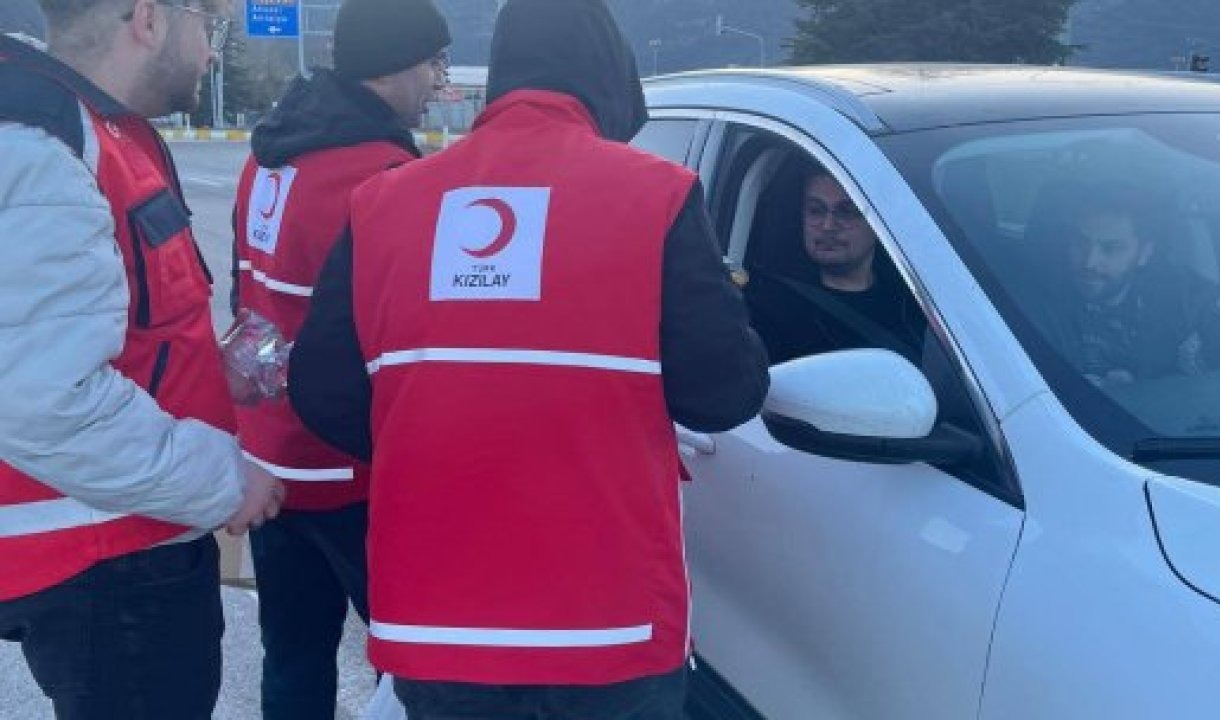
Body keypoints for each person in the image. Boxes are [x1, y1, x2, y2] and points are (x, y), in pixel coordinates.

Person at [288, 0, 770, 716]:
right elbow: (725, 392)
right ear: (610, 76)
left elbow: (319, 390)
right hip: (607, 625)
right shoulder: (658, 196)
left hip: (436, 622)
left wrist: (434, 437)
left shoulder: (383, 202)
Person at [0, 1, 282, 717]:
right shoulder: (44, 145)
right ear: (149, 19)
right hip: (104, 557)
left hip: (119, 543)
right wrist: (226, 480)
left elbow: (91, 336)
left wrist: (204, 371)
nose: (212, 52)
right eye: (209, 25)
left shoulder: (92, 131)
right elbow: (45, 401)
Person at [230, 0, 449, 716]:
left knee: (293, 657)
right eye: (433, 63)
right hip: (350, 470)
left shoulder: (265, 159)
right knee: (413, 661)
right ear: (390, 67)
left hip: (270, 459)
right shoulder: (382, 174)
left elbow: (244, 295)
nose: (440, 81)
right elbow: (410, 334)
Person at [748, 168, 926, 364]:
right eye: (816, 210)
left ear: (879, 222)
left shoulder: (916, 300)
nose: (828, 226)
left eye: (847, 212)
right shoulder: (771, 310)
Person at [1056, 189, 1216, 385]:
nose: (1089, 262)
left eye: (1110, 248)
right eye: (1080, 244)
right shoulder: (1037, 308)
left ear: (1144, 253)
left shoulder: (1184, 305)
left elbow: (1207, 384)